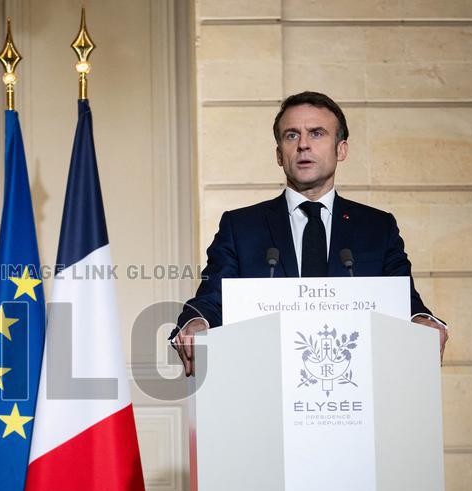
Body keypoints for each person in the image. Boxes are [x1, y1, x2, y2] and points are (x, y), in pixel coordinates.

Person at [172, 91, 447, 376]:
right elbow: (212, 298)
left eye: (316, 133)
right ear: (279, 154)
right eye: (291, 135)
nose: (303, 144)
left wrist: (422, 320)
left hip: (357, 388)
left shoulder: (377, 227)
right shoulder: (241, 227)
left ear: (341, 149)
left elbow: (404, 300)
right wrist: (196, 322)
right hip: (265, 385)